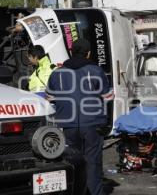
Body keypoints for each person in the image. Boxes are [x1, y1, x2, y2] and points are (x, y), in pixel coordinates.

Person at [47, 38, 114, 195]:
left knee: (71, 162)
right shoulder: (96, 71)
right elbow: (108, 96)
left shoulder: (57, 73)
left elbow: (49, 97)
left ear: (71, 52)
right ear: (89, 53)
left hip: (67, 124)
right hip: (92, 124)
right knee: (93, 163)